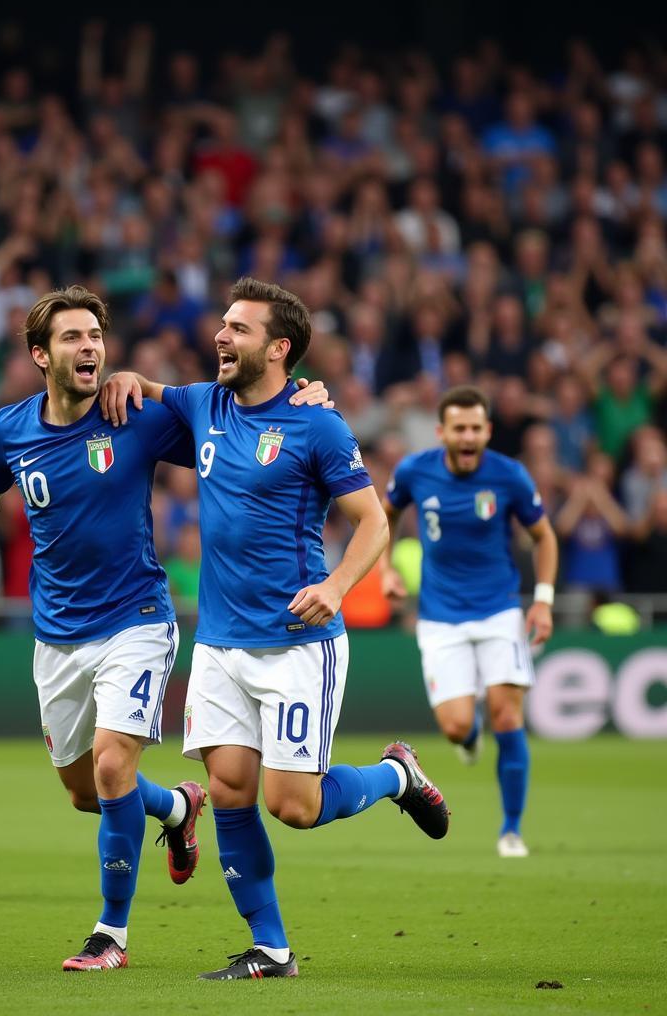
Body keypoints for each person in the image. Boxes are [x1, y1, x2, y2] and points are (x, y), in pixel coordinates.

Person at [0, 285, 331, 972]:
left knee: (109, 766)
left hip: (137, 620)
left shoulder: (134, 416)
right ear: (41, 355)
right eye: (72, 338)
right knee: (85, 792)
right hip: (57, 634)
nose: (90, 347)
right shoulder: (12, 428)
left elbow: (245, 414)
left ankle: (111, 935)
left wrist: (305, 391)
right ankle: (174, 811)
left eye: (96, 335)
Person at [101, 277, 449, 981]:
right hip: (222, 644)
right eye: (223, 325)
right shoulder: (205, 404)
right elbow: (150, 391)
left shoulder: (318, 424)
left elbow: (374, 522)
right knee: (228, 790)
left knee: (292, 806)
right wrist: (133, 375)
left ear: (280, 346)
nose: (222, 336)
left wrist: (335, 585)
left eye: (239, 328)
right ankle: (273, 948)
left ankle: (394, 775)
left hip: (296, 643)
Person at [379, 384, 558, 858]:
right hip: (440, 618)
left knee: (507, 714)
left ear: (488, 431)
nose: (468, 437)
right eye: (459, 428)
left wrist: (542, 600)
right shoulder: (415, 471)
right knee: (458, 726)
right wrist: (386, 568)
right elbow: (385, 515)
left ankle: (511, 829)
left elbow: (544, 537)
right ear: (442, 432)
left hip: (499, 610)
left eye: (476, 428)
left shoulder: (509, 476)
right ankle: (468, 736)